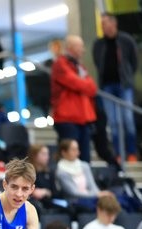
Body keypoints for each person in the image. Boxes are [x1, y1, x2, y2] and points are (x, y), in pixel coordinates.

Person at [92, 12, 139, 162]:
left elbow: (134, 61)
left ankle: (131, 152)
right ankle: (118, 153)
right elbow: (97, 62)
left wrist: (128, 75)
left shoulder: (126, 40)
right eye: (102, 24)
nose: (104, 26)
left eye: (106, 23)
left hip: (123, 84)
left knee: (127, 119)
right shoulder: (98, 44)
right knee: (113, 122)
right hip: (107, 86)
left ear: (114, 24)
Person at [51, 35, 97, 163]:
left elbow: (92, 88)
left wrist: (83, 84)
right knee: (69, 159)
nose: (83, 50)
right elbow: (75, 82)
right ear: (71, 47)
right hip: (66, 118)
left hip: (83, 118)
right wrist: (84, 84)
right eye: (80, 46)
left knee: (85, 159)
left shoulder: (80, 66)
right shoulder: (60, 63)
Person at [54, 138, 110, 211]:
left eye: (77, 149)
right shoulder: (61, 171)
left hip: (91, 199)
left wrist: (100, 194)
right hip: (74, 202)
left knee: (109, 201)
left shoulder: (84, 166)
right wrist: (96, 195)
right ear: (64, 152)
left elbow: (92, 185)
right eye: (73, 150)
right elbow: (73, 193)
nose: (77, 152)